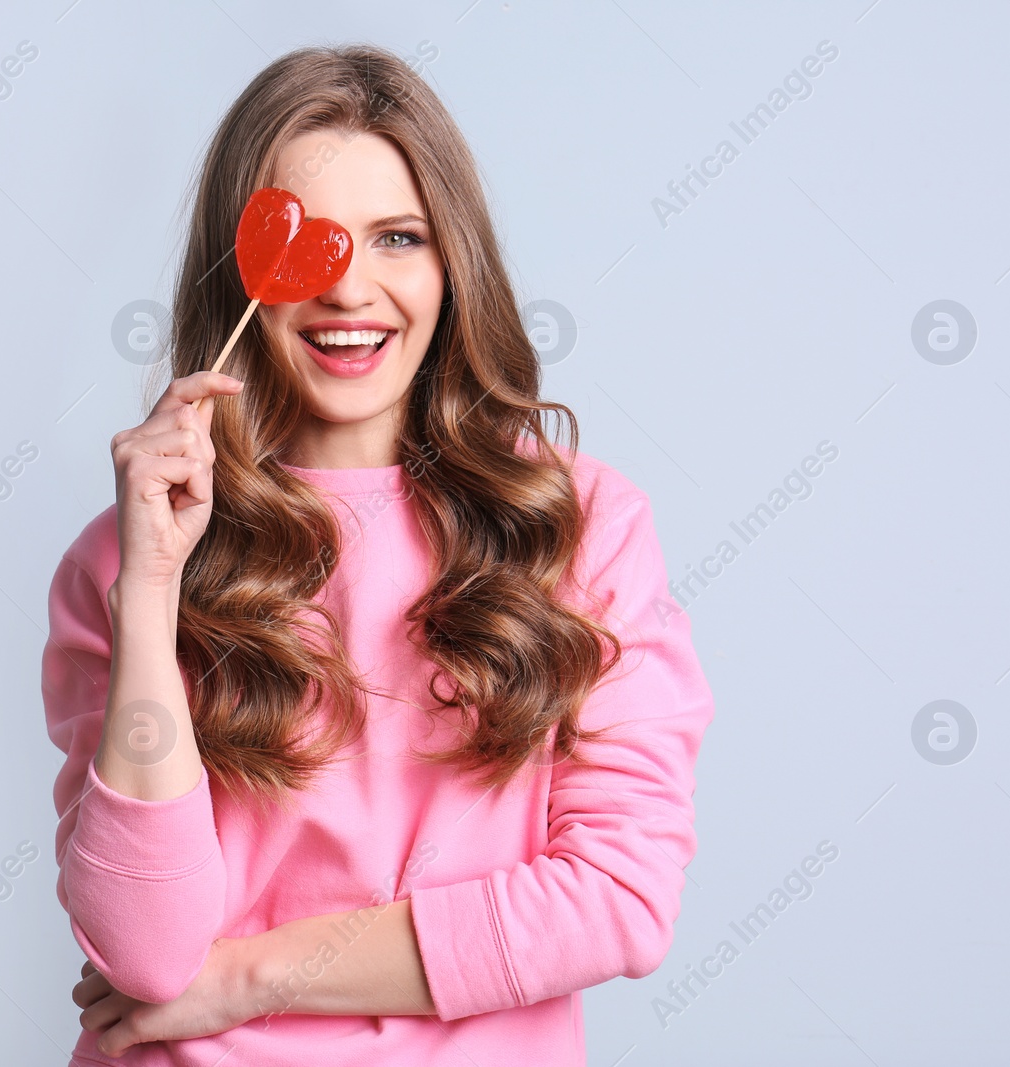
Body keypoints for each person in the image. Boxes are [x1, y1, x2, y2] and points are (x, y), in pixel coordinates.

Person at [42, 42, 714, 1066]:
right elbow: (144, 951)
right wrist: (148, 595)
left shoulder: (581, 527)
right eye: (307, 241)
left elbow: (617, 895)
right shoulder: (126, 558)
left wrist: (249, 978)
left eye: (397, 237)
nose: (348, 288)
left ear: (453, 263)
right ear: (241, 270)